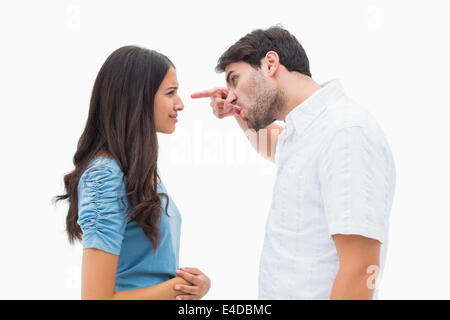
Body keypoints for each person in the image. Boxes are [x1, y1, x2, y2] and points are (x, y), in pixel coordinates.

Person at [192, 26, 395, 299]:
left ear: (270, 63)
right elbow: (280, 148)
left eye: (235, 79)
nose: (231, 95)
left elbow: (361, 268)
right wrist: (240, 114)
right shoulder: (305, 132)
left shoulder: (345, 132)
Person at [55, 46, 210, 300]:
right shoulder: (104, 176)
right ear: (137, 98)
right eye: (171, 93)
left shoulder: (141, 169)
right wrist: (179, 286)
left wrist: (194, 285)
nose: (180, 104)